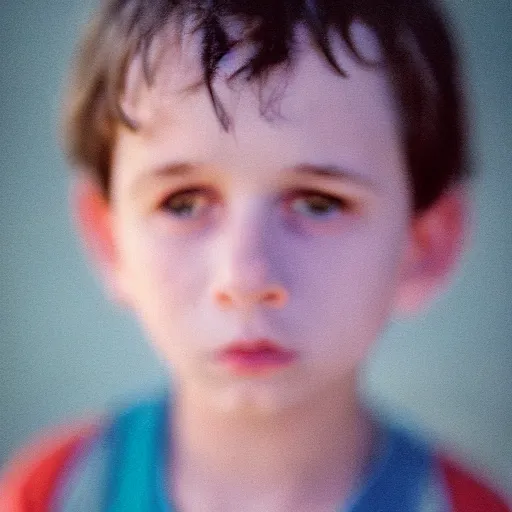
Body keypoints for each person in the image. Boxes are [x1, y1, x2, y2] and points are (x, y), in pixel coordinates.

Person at [0, 0, 509, 510]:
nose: (244, 277)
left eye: (318, 202)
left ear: (423, 245)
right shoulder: (49, 494)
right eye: (182, 203)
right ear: (110, 241)